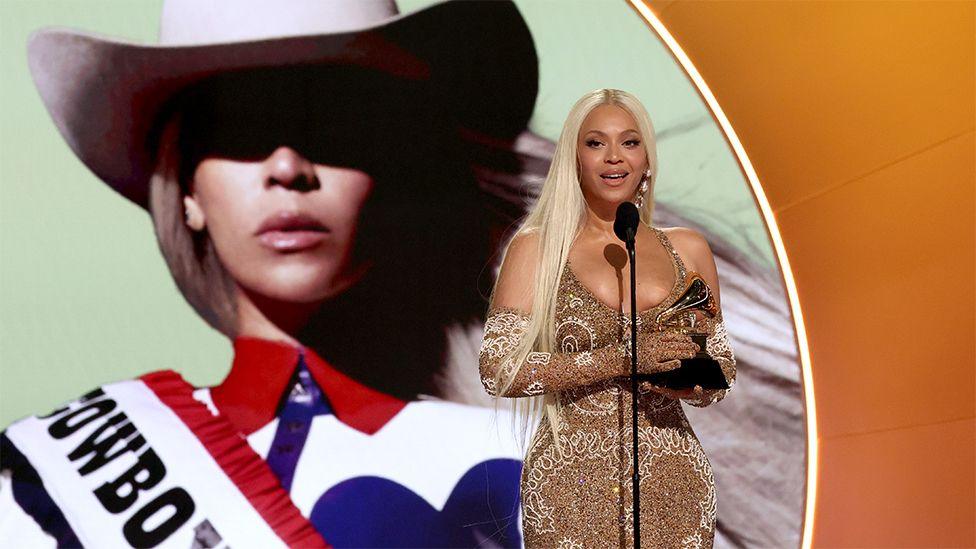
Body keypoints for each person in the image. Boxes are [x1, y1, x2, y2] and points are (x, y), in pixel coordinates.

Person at [1, 1, 537, 546]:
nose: (288, 169)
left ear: (394, 173)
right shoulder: (50, 481)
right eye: (242, 127)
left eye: (332, 124)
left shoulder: (536, 464)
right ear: (188, 189)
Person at [479, 88, 738, 548]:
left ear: (647, 159)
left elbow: (721, 368)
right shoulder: (537, 248)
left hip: (674, 487)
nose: (614, 157)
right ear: (573, 159)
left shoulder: (689, 248)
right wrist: (621, 359)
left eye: (630, 142)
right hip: (569, 488)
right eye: (595, 143)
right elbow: (499, 368)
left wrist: (688, 379)